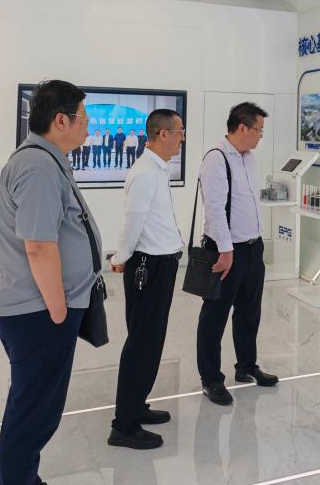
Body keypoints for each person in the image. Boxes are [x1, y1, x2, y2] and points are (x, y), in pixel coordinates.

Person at [0, 80, 101, 485]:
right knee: (32, 418)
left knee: (31, 411)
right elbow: (38, 246)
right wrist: (57, 310)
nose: (88, 125)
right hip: (39, 312)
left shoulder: (46, 160)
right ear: (61, 120)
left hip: (41, 311)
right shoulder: (37, 166)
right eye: (83, 117)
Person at [107, 109, 187, 449]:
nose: (183, 137)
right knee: (142, 344)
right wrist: (120, 258)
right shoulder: (144, 173)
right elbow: (133, 221)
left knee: (151, 341)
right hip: (148, 267)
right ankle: (124, 426)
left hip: (161, 265)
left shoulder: (157, 170)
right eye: (180, 131)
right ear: (163, 134)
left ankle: (136, 405)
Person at [195, 101, 277, 406]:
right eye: (259, 130)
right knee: (215, 315)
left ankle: (246, 366)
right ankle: (211, 379)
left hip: (253, 248)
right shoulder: (216, 159)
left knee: (249, 312)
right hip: (226, 251)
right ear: (242, 127)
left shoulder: (249, 159)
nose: (261, 136)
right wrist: (227, 251)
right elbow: (215, 210)